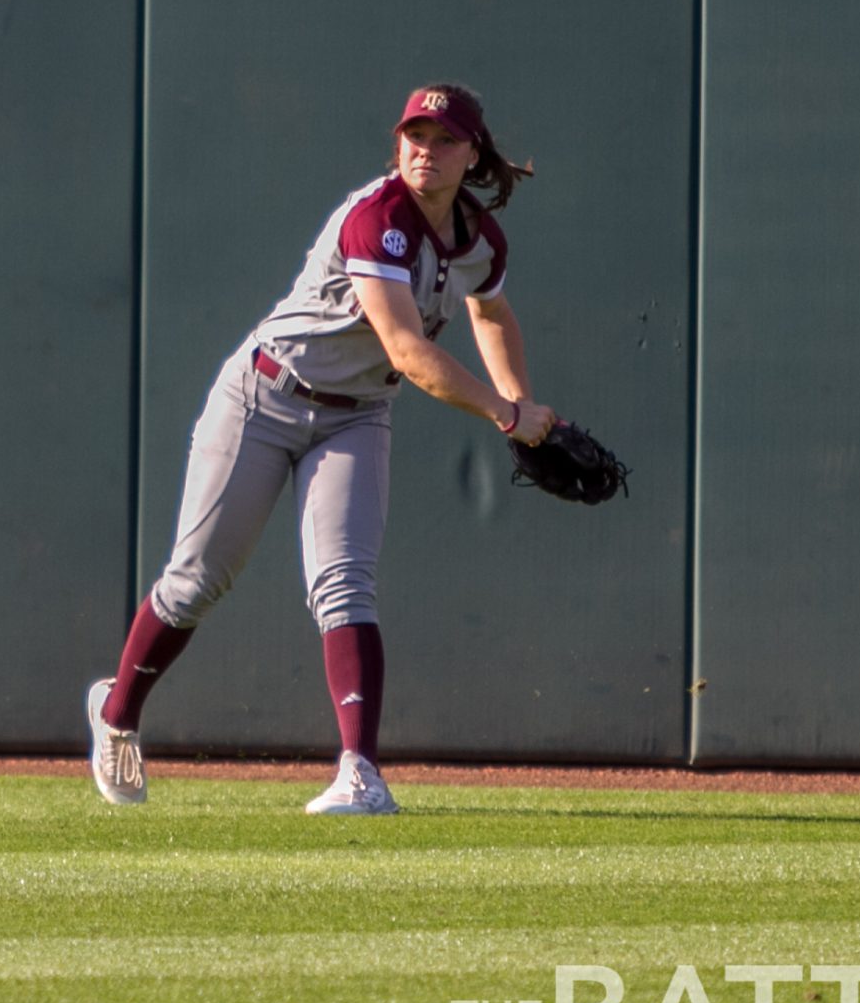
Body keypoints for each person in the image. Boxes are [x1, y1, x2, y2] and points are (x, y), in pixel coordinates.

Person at [86, 83, 557, 816]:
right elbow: (406, 350)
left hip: (356, 415)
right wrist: (505, 414)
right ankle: (117, 713)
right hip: (264, 396)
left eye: (442, 140)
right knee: (195, 580)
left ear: (473, 154)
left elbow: (491, 311)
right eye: (414, 135)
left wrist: (523, 402)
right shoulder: (378, 218)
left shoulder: (478, 237)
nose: (424, 151)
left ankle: (360, 771)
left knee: (344, 582)